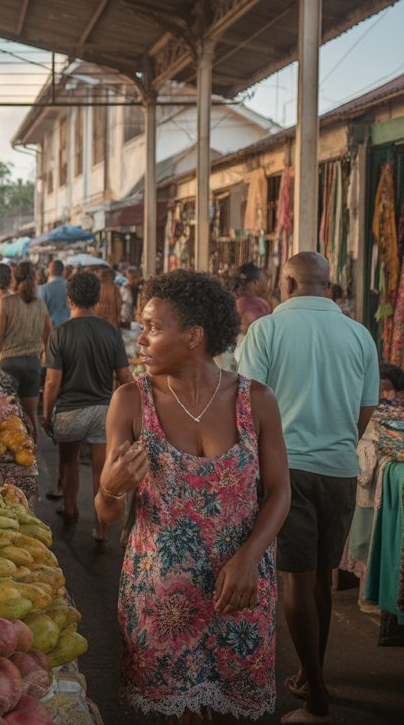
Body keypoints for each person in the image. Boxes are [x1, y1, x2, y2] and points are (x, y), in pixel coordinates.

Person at [95, 270, 290, 723]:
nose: (140, 340)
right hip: (162, 598)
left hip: (239, 589)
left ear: (194, 337)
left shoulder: (255, 400)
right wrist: (111, 487)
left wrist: (249, 557)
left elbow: (280, 492)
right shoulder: (130, 402)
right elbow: (107, 513)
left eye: (153, 327)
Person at [237, 252, 378, 725]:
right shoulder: (358, 333)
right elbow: (366, 407)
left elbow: (248, 402)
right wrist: (338, 442)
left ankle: (316, 695)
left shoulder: (267, 331)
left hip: (286, 470)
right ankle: (308, 671)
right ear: (329, 283)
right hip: (340, 468)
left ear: (289, 281)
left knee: (294, 579)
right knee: (319, 575)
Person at [42, 272, 132, 540]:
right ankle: (100, 529)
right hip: (105, 411)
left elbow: (51, 383)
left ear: (69, 300)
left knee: (69, 464)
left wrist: (47, 415)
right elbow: (125, 377)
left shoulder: (59, 334)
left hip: (69, 410)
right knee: (101, 470)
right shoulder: (111, 332)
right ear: (96, 299)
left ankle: (70, 511)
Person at [0, 262, 52, 432]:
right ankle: (34, 455)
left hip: (8, 364)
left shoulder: (6, 302)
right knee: (30, 415)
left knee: (5, 414)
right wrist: (47, 363)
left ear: (13, 279)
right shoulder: (40, 304)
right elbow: (48, 338)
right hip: (32, 365)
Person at [234, 263, 272, 336]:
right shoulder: (261, 306)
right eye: (265, 280)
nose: (267, 283)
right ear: (256, 283)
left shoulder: (236, 301)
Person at [38, 260, 70, 327]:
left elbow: (40, 313)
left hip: (50, 328)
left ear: (49, 271)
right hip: (68, 326)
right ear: (63, 271)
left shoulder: (43, 289)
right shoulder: (71, 286)